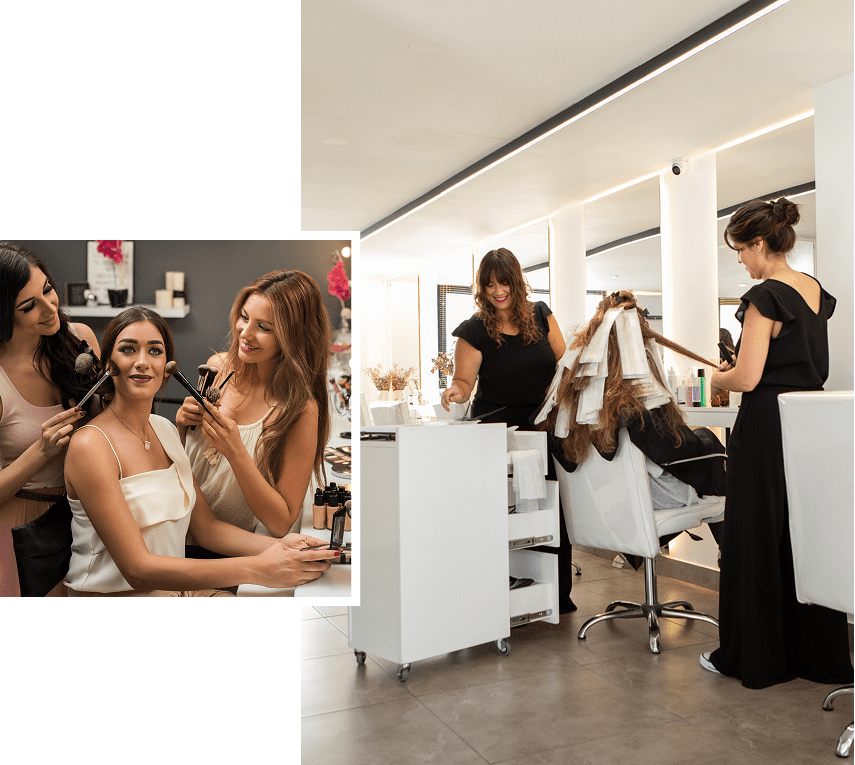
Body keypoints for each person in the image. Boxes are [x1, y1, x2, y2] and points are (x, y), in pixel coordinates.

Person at [63, 307, 337, 596]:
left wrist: (283, 546)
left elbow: (207, 528)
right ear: (108, 364)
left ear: (168, 366)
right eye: (129, 349)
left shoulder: (165, 430)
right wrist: (259, 569)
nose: (143, 362)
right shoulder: (90, 446)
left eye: (155, 351)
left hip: (173, 594)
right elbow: (137, 570)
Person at [703, 198, 852, 688]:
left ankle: (758, 658)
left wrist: (718, 374)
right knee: (803, 536)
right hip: (810, 423)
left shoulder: (765, 296)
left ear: (761, 244)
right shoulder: (813, 290)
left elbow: (747, 377)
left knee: (757, 536)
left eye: (741, 250)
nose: (740, 261)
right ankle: (817, 656)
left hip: (768, 425)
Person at [537, 290, 726, 566]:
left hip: (608, 507)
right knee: (713, 450)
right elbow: (681, 450)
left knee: (704, 444)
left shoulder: (573, 406)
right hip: (649, 501)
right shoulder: (637, 406)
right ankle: (734, 557)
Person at [440, 248, 575, 611]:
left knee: (546, 507)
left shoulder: (541, 315)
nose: (497, 291)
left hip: (542, 427)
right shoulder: (473, 331)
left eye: (503, 283)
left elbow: (565, 366)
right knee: (501, 513)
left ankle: (553, 595)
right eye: (489, 285)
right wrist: (456, 391)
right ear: (481, 289)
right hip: (496, 431)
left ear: (517, 282)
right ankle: (495, 593)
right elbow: (464, 381)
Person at [177, 270, 331, 541]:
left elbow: (281, 523)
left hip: (226, 550)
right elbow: (180, 462)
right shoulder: (217, 370)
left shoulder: (299, 409)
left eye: (264, 327)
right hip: (170, 532)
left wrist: (235, 451)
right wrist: (180, 426)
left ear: (292, 337)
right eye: (244, 318)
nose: (245, 333)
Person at [0, 243, 100, 596]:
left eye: (47, 290)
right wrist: (40, 452)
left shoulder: (80, 340)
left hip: (87, 513)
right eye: (29, 306)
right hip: (23, 527)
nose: (49, 309)